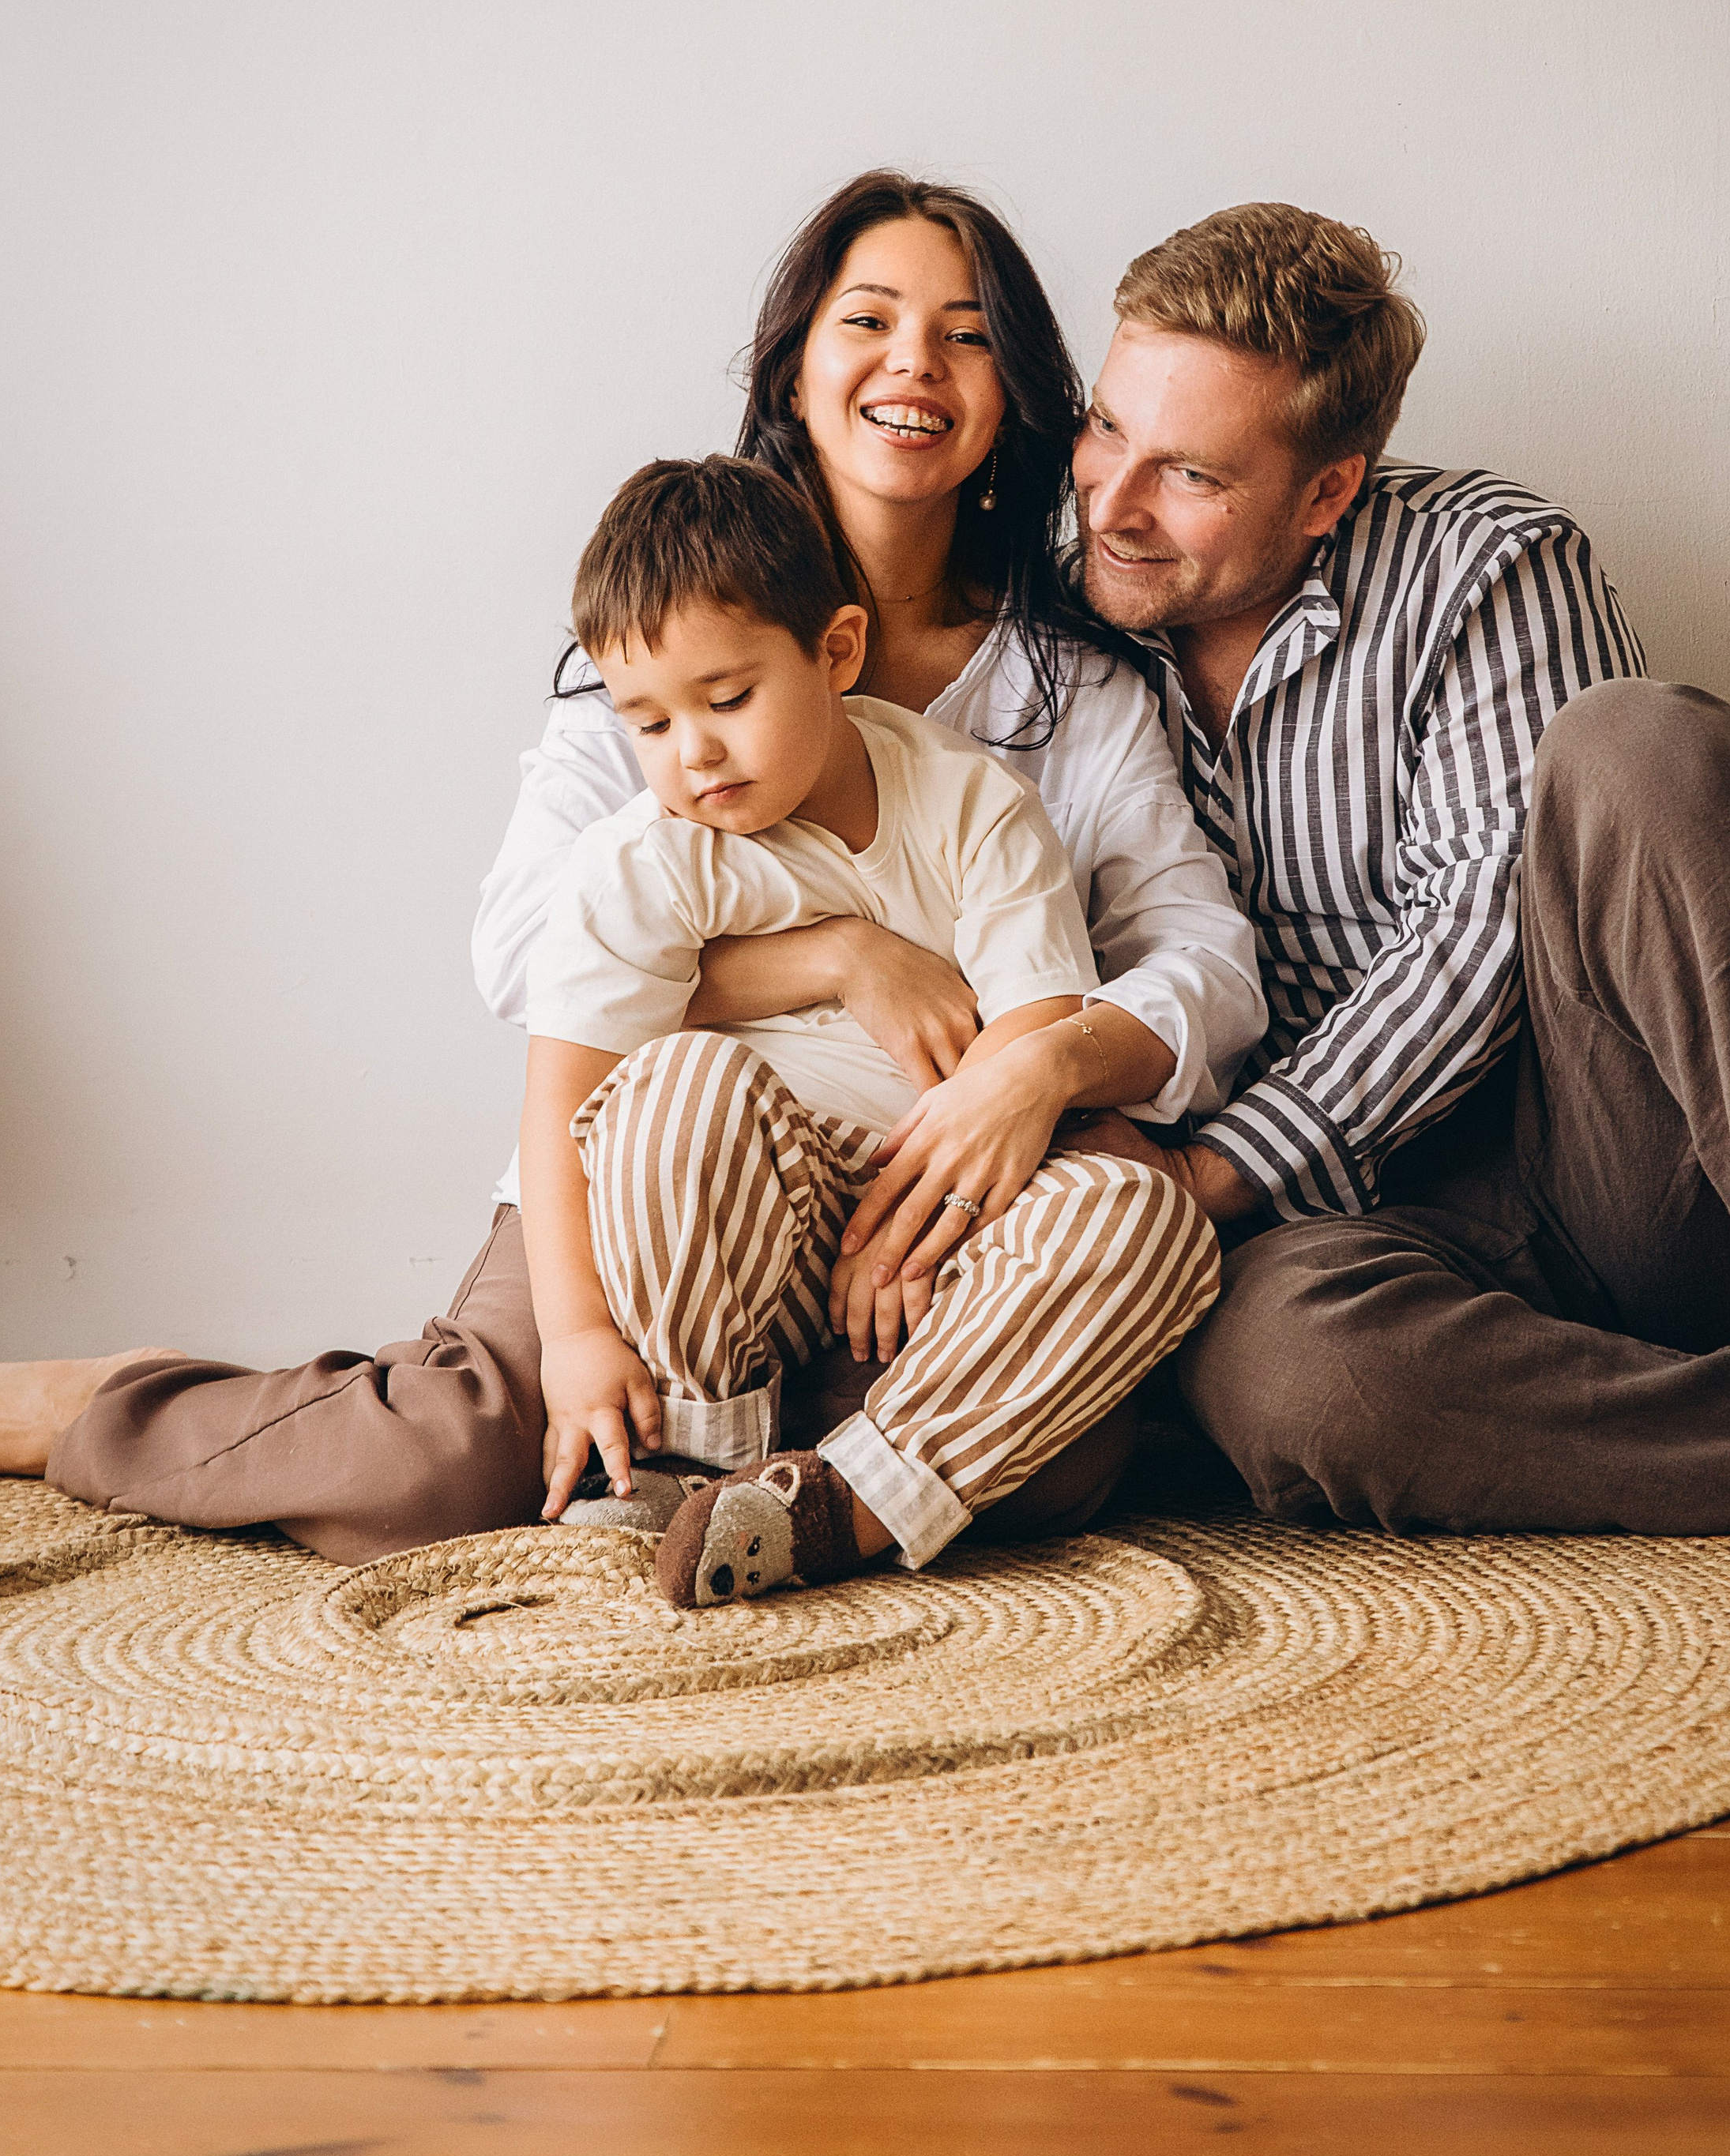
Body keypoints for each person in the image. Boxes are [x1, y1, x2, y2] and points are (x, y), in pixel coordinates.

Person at [3, 173, 1263, 1564]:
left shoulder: (1073, 688)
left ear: (1015, 395)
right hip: (669, 1156)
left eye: (965, 334)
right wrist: (840, 954)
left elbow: (1201, 962)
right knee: (449, 1471)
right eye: (869, 320)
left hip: (927, 1181)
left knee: (1070, 1463)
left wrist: (1039, 1066)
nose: (915, 361)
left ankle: (815, 1494)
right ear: (794, 368)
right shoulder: (669, 630)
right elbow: (527, 957)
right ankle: (102, 1406)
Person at [1066, 200, 1730, 1598]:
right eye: (1103, 430)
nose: (1112, 501)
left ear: (1328, 489)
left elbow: (1475, 934)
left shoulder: (1489, 562)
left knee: (1639, 744)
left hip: (1610, 1155)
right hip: (1357, 1244)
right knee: (1282, 1371)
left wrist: (1205, 1177)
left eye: (1190, 475)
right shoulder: (1050, 594)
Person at [521, 453, 1218, 1608]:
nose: (691, 754)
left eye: (727, 699)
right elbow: (562, 1107)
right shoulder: (646, 861)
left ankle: (848, 1501)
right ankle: (701, 1453)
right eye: (647, 722)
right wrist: (575, 1338)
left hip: (938, 1219)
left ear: (836, 653)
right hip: (753, 1219)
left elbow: (1034, 1028)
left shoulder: (972, 803)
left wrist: (923, 1224)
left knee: (1146, 1218)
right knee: (672, 1088)